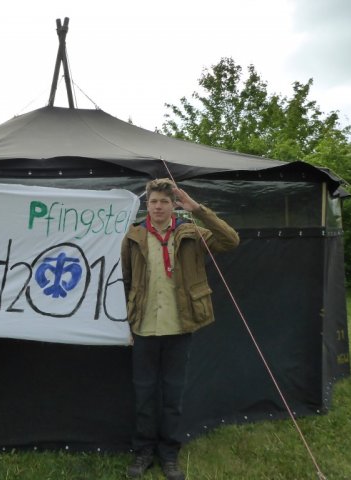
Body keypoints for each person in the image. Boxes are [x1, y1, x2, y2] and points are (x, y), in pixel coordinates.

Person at [121, 178, 239, 480]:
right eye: (153, 202)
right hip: (144, 329)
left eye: (164, 201)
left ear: (174, 205)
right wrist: (127, 324)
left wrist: (197, 209)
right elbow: (126, 280)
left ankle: (169, 453)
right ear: (147, 204)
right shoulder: (133, 236)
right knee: (144, 395)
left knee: (173, 395)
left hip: (179, 328)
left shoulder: (191, 233)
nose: (158, 207)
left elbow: (230, 241)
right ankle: (143, 451)